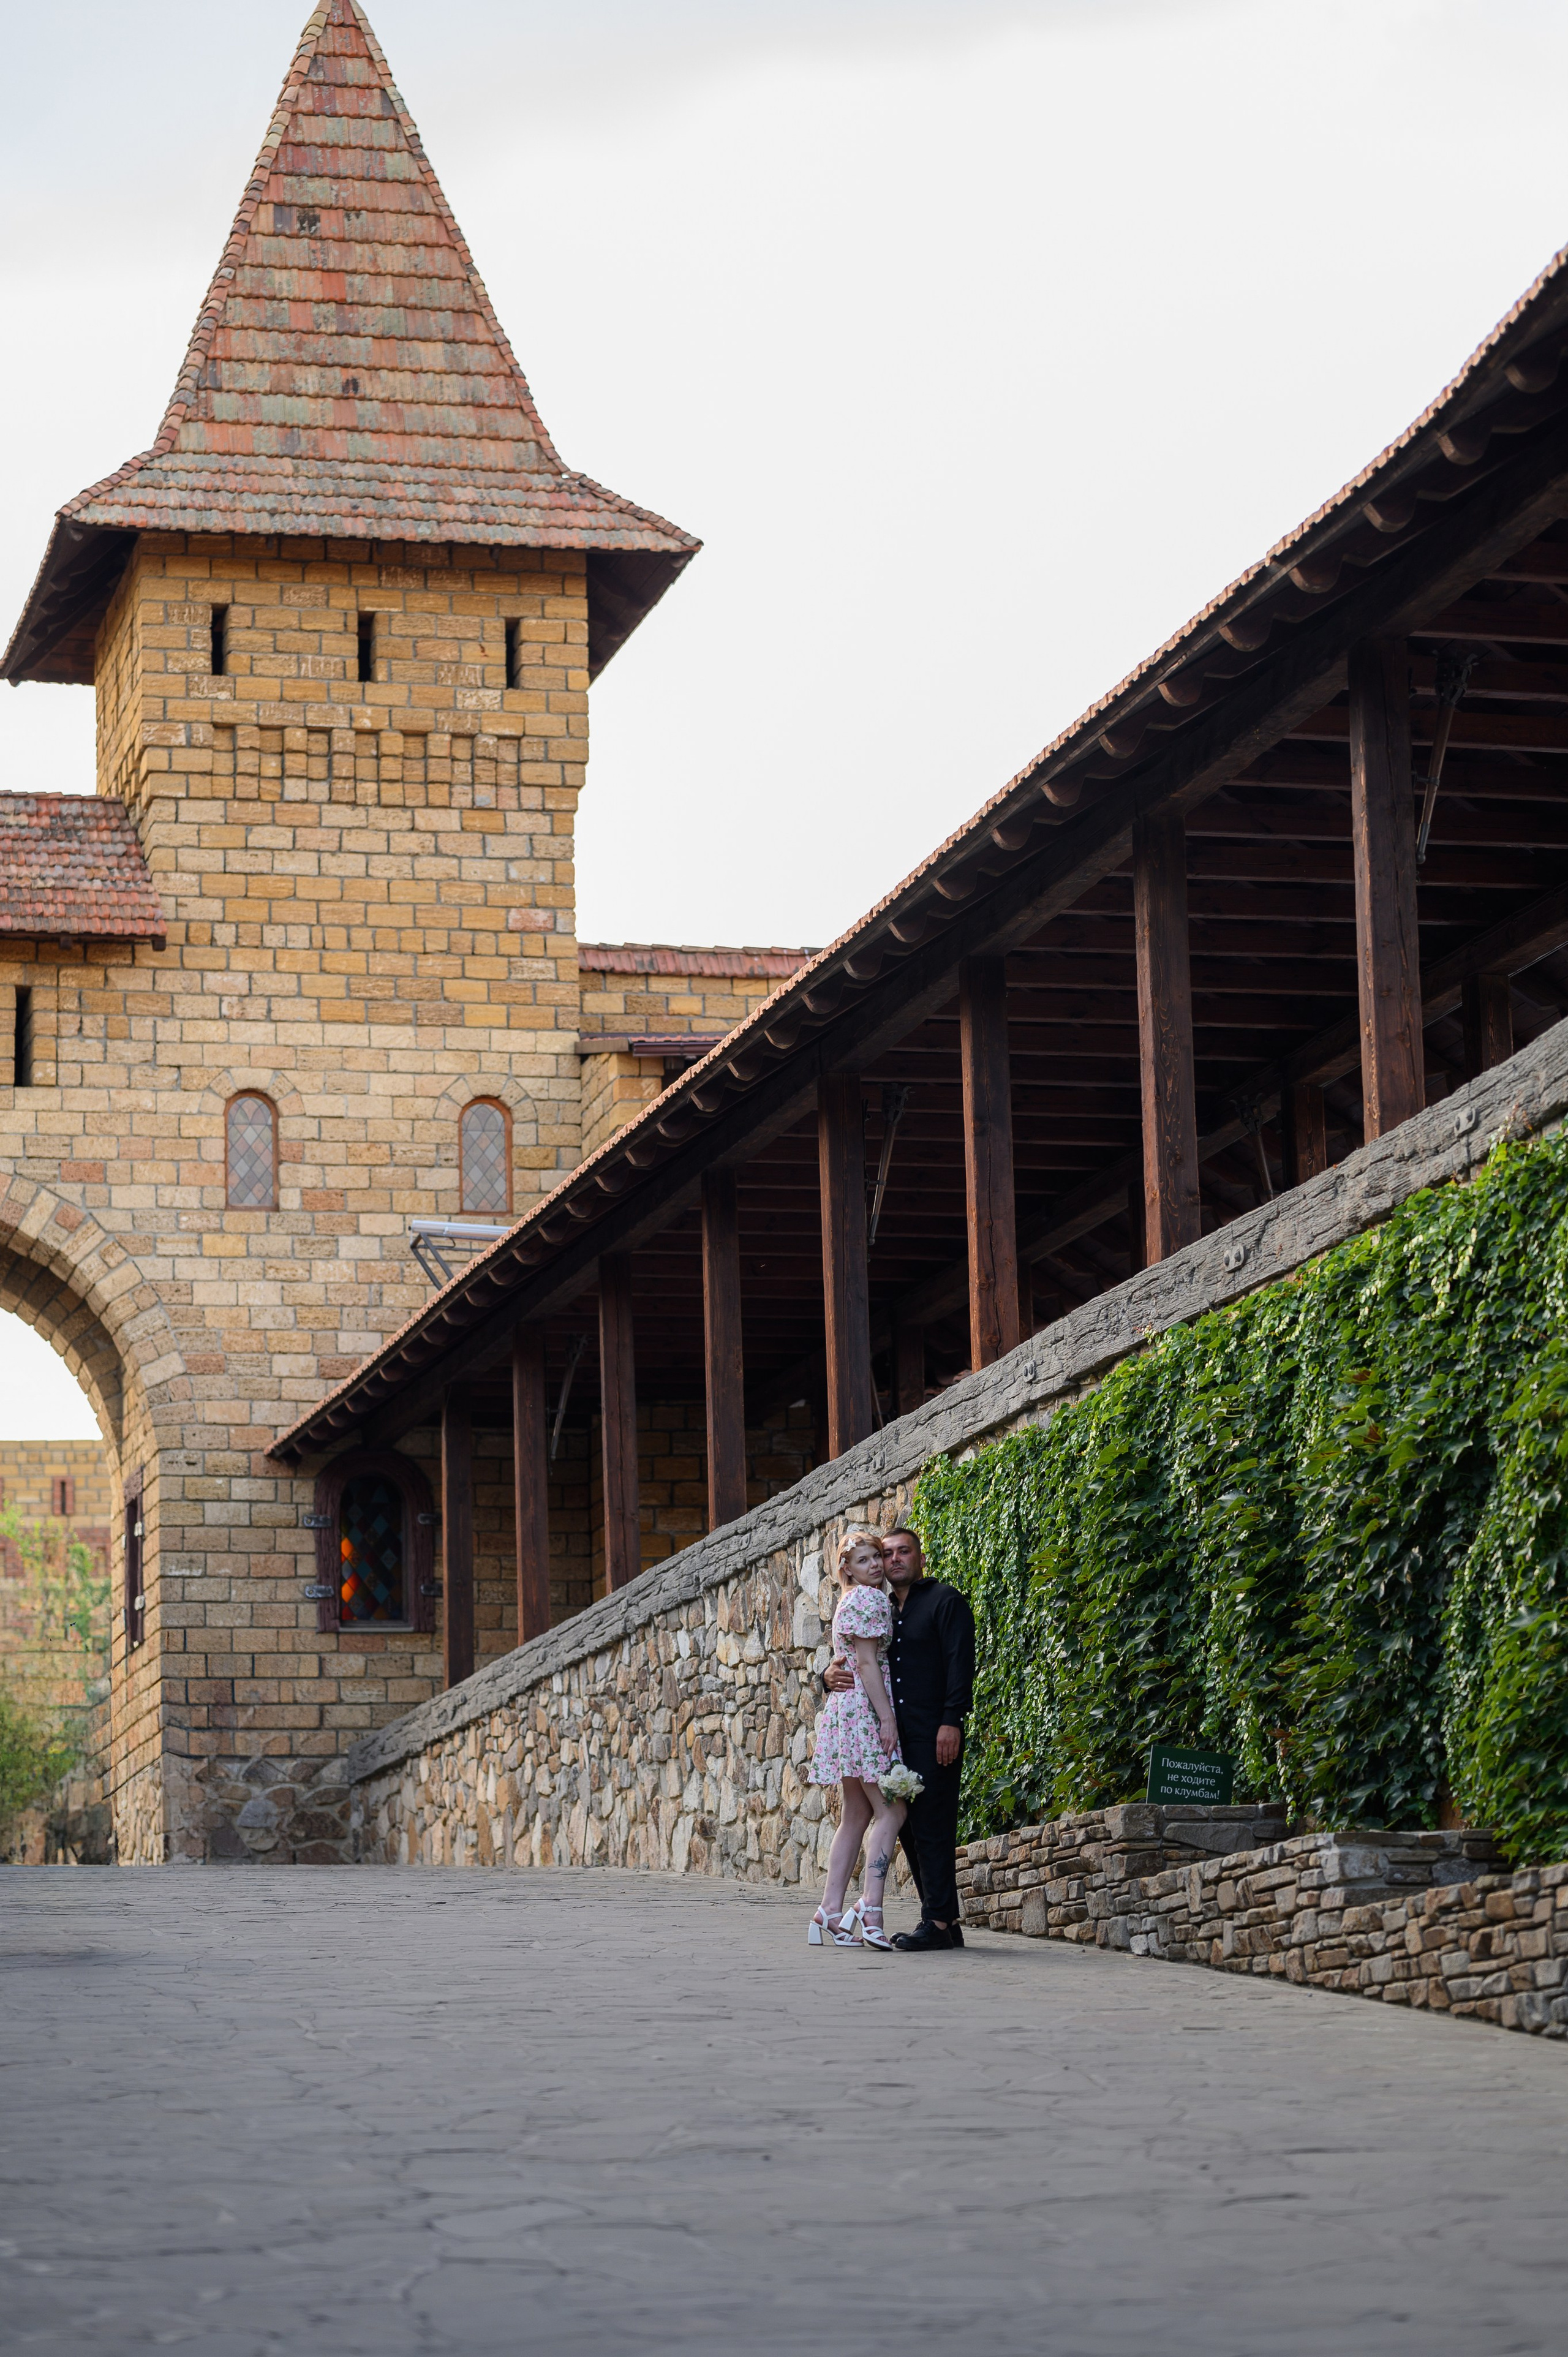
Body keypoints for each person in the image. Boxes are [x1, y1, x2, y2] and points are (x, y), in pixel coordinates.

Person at [824, 1526, 974, 1952]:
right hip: (891, 1735)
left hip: (934, 1731)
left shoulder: (945, 1601)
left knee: (934, 1825)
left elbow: (960, 1665)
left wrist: (952, 1721)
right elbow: (856, 1660)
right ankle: (942, 1921)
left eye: (902, 1552)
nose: (892, 1560)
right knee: (908, 1827)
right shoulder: (880, 1605)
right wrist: (825, 1678)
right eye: (885, 1554)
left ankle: (939, 1922)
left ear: (920, 1558)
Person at [806, 1527, 909, 1953]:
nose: (876, 1566)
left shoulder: (848, 1601)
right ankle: (871, 1910)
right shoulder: (867, 1599)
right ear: (845, 1567)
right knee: (892, 1811)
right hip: (865, 1712)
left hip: (846, 1713)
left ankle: (830, 1910)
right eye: (865, 1560)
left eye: (876, 1558)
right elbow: (866, 1664)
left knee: (855, 1815)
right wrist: (887, 1719)